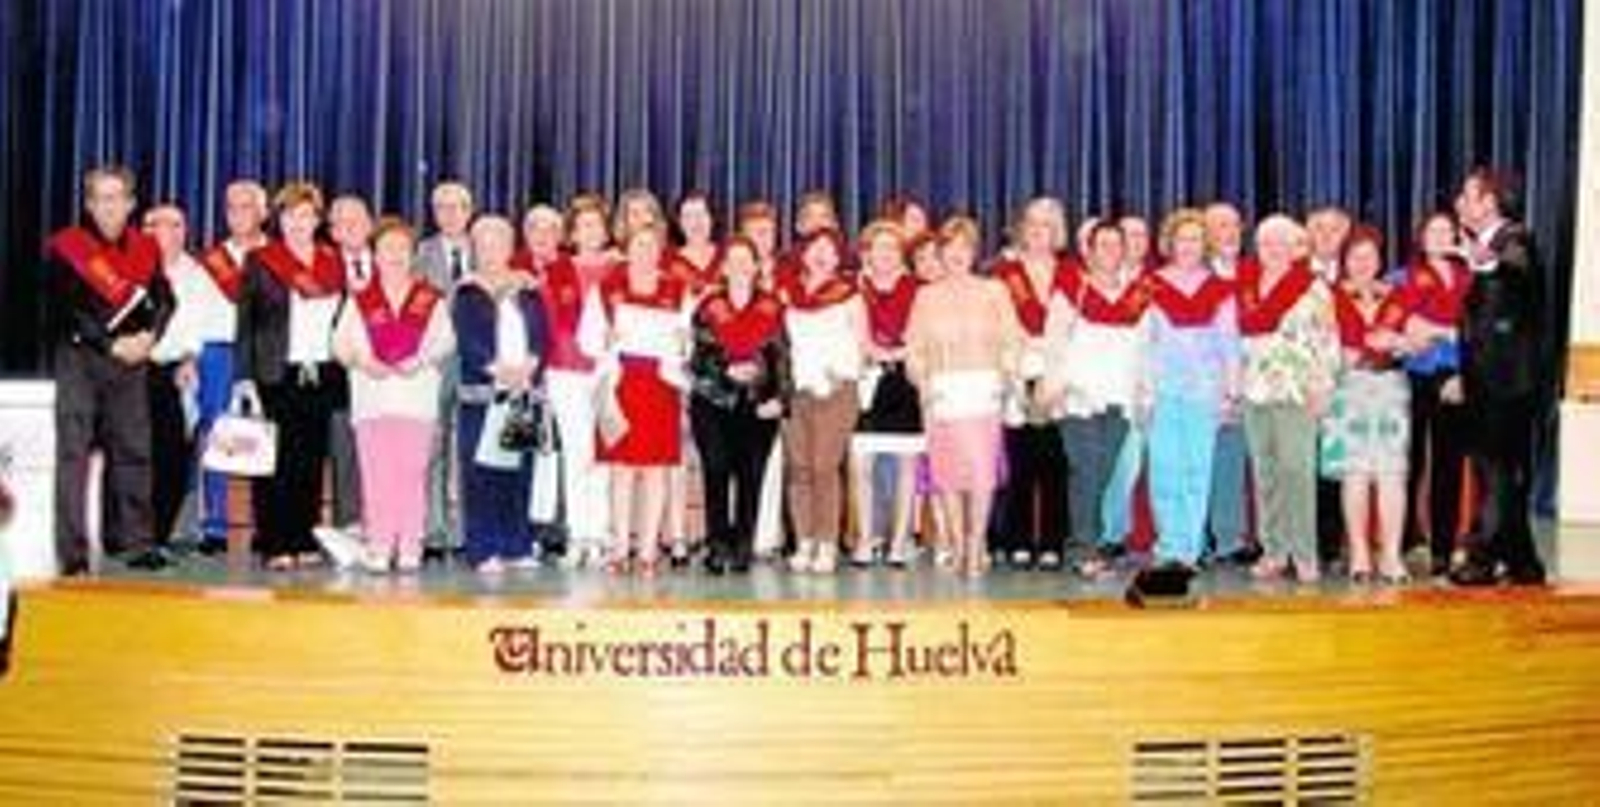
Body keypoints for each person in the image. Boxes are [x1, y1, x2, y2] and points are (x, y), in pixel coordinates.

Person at [47, 165, 174, 575]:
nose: (109, 206)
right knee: (74, 456)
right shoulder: (67, 246)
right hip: (80, 360)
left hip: (132, 362)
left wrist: (150, 338)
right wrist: (109, 342)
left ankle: (134, 542)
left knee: (135, 453)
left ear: (131, 203)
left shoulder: (146, 248)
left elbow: (165, 299)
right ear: (88, 203)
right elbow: (63, 309)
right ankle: (73, 555)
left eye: (117, 197)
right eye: (100, 198)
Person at [234, 181, 346, 571]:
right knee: (274, 460)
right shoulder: (261, 260)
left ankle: (304, 536)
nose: (298, 223)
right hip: (274, 372)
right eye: (290, 215)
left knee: (310, 460)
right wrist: (244, 377)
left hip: (320, 373)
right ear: (278, 220)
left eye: (306, 215)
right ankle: (274, 540)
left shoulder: (332, 261)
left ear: (317, 220)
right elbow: (245, 324)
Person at [333, 219, 455, 573]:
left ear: (413, 253)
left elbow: (445, 340)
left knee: (412, 473)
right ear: (375, 254)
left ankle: (410, 544)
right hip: (372, 398)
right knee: (376, 473)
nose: (395, 255)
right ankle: (379, 544)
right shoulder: (361, 299)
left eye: (402, 248)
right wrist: (363, 361)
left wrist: (421, 359)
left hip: (416, 398)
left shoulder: (429, 298)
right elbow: (340, 345)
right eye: (388, 248)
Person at [904, 217, 1021, 577]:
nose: (957, 255)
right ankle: (955, 541)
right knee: (948, 473)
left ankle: (975, 542)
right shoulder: (926, 295)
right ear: (940, 252)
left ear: (973, 252)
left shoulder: (994, 290)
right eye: (949, 248)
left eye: (964, 247)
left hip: (982, 390)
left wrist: (1004, 375)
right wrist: (923, 383)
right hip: (942, 393)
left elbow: (1012, 339)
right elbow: (914, 348)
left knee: (982, 471)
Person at [1449, 169, 1547, 586]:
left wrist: (1487, 260)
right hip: (1495, 380)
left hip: (1506, 381)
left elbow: (1517, 269)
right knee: (1506, 469)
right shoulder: (1492, 244)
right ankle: (1523, 561)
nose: (1458, 202)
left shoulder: (1513, 238)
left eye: (1466, 195)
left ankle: (1482, 557)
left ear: (1489, 201)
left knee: (1495, 468)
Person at [583, 225, 692, 576]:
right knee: (621, 471)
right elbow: (588, 339)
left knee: (656, 470)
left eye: (652, 245)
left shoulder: (677, 289)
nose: (645, 252)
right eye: (638, 245)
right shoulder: (607, 288)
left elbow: (688, 343)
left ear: (660, 250)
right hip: (620, 386)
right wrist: (605, 336)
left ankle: (646, 552)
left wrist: (682, 342)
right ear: (627, 249)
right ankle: (618, 549)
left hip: (661, 385)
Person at [1237, 215, 1341, 583]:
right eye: (1265, 242)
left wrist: (1323, 386)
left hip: (1297, 391)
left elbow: (1329, 340)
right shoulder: (1245, 283)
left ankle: (1305, 553)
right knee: (1265, 473)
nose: (1273, 250)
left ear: (1296, 246)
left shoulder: (1313, 287)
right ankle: (1274, 551)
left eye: (1281, 242)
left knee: (1297, 472)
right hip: (1254, 390)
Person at [1042, 222, 1149, 577]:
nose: (1109, 252)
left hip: (1119, 395)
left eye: (1116, 245)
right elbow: (1054, 341)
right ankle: (1083, 550)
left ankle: (1086, 541)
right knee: (1085, 468)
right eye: (1101, 245)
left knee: (1103, 473)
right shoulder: (1072, 289)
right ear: (1087, 250)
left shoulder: (1137, 294)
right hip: (1079, 396)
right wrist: (1056, 387)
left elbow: (1144, 347)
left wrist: (1142, 392)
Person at [1142, 209, 1240, 574]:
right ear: (1169, 243)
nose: (1188, 246)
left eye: (1196, 240)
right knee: (1164, 468)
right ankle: (1167, 544)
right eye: (1182, 238)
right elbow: (1144, 342)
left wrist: (1231, 391)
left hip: (1205, 390)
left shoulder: (1219, 289)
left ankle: (1188, 549)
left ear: (1205, 245)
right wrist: (1144, 391)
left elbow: (1229, 342)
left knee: (1197, 470)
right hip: (1162, 389)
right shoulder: (1150, 285)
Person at [453, 216, 549, 575]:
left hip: (523, 391)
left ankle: (517, 544)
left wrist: (529, 367)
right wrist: (499, 371)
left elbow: (541, 334)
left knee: (519, 469)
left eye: (499, 243)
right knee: (482, 472)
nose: (492, 250)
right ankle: (484, 547)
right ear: (475, 248)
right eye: (485, 244)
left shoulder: (527, 289)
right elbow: (469, 340)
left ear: (511, 248)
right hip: (483, 394)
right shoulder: (467, 292)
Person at [688, 237, 790, 574]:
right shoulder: (708, 307)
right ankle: (717, 544)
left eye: (747, 259)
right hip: (713, 401)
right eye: (732, 259)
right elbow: (698, 358)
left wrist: (780, 398)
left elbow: (785, 357)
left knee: (752, 476)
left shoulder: (774, 307)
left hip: (758, 404)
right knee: (715, 471)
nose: (740, 266)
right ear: (724, 266)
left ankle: (743, 544)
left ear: (757, 265)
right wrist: (727, 370)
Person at [1323, 227, 1411, 583]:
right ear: (1344, 261)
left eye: (1370, 256)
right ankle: (1359, 552)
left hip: (1391, 387)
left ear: (1380, 260)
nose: (1363, 263)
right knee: (1355, 474)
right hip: (1348, 389)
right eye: (1355, 256)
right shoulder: (1327, 295)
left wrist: (1404, 342)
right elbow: (1318, 342)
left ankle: (1390, 554)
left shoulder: (1397, 295)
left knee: (1392, 474)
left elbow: (1417, 338)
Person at [989, 198, 1071, 570]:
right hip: (1016, 371)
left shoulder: (1071, 273)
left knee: (1054, 462)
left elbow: (1078, 327)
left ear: (1058, 232)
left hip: (1058, 374)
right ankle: (1017, 538)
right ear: (1022, 228)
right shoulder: (1004, 273)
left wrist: (1056, 372)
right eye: (1034, 223)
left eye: (1048, 225)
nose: (1040, 231)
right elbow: (997, 326)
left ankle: (1053, 540)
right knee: (1019, 461)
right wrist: (1015, 372)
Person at [780, 229, 868, 574]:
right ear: (803, 253)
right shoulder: (788, 295)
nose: (821, 255)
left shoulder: (850, 295)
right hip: (797, 390)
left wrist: (841, 372)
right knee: (799, 468)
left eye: (829, 250)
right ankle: (804, 541)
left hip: (836, 388)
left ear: (838, 258)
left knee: (824, 466)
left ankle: (828, 543)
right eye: (814, 248)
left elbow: (862, 346)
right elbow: (780, 345)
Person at [191, 180, 268, 552]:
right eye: (231, 207)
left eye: (247, 206)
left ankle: (263, 525)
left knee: (265, 434)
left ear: (262, 212)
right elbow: (196, 313)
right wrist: (193, 356)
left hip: (266, 353)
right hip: (219, 352)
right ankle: (216, 526)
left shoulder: (280, 255)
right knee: (217, 433)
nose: (238, 214)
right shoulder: (211, 261)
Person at [1395, 212, 1473, 576]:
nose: (1440, 237)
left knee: (1449, 462)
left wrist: (1439, 333)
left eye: (1447, 231)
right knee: (1409, 462)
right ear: (1421, 237)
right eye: (1433, 231)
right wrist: (1449, 332)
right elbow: (1408, 328)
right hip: (1413, 376)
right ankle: (1406, 539)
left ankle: (1444, 545)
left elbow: (1474, 333)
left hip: (1455, 378)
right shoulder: (1402, 276)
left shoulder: (1469, 277)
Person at [544, 194, 617, 567]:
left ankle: (602, 536)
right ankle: (578, 534)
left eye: (597, 224)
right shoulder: (556, 270)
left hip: (610, 375)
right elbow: (550, 323)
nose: (591, 231)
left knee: (604, 456)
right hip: (566, 373)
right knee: (576, 455)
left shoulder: (620, 268)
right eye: (583, 225)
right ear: (572, 232)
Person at [850, 220, 923, 568]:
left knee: (907, 464)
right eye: (879, 247)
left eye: (893, 248)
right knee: (862, 464)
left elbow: (922, 334)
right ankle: (865, 539)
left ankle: (898, 541)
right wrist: (879, 354)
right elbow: (858, 338)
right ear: (867, 252)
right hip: (867, 381)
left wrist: (898, 355)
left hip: (906, 381)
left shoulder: (918, 288)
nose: (886, 254)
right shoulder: (854, 288)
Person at [415, 181, 476, 560]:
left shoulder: (488, 249)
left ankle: (467, 529)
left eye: (457, 207)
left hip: (476, 362)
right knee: (434, 445)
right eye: (442, 207)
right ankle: (435, 531)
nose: (450, 214)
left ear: (469, 211)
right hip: (435, 362)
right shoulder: (419, 254)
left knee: (469, 446)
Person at [143, 205, 205, 547]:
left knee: (172, 456)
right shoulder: (126, 268)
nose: (167, 232)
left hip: (175, 370)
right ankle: (123, 532)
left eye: (176, 225)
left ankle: (160, 534)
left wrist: (192, 358)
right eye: (157, 224)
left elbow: (203, 324)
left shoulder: (198, 274)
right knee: (128, 454)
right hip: (131, 369)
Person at [1202, 202, 1255, 565]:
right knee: (1199, 462)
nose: (1231, 232)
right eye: (1221, 225)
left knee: (1233, 463)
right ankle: (1199, 538)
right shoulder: (1195, 276)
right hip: (1203, 382)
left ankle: (1230, 539)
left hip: (1251, 380)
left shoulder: (1254, 273)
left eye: (1236, 225)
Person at [324, 195, 376, 543]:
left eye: (356, 219)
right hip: (337, 375)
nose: (350, 227)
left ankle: (384, 525)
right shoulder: (320, 267)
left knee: (382, 451)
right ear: (331, 231)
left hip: (387, 375)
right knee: (344, 451)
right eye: (341, 222)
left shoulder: (396, 260)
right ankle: (348, 528)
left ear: (370, 224)